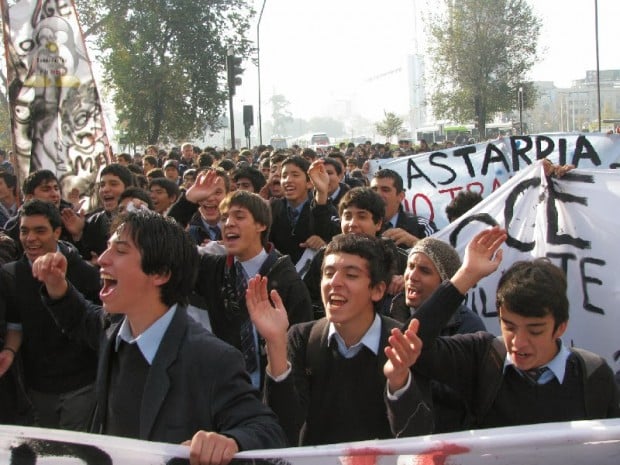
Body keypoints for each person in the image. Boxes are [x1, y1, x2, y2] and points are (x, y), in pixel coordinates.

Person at [32, 210, 286, 464]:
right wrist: (57, 285)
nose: (103, 260)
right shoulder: (113, 329)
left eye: (120, 251)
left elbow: (266, 429)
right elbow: (81, 319)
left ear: (160, 273)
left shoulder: (212, 358)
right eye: (107, 248)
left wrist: (230, 440)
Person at [410, 227, 620, 430]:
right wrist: (466, 275)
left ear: (560, 328)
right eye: (509, 326)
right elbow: (409, 347)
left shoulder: (593, 376)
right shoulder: (481, 358)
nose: (518, 343)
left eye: (535, 331)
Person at [247, 233, 433, 446]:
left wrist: (399, 382)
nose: (335, 283)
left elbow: (419, 438)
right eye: (328, 273)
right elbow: (281, 429)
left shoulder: (403, 343)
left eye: (351, 275)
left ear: (378, 289)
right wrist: (275, 343)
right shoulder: (302, 338)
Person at [186, 175, 312, 388]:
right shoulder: (213, 270)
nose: (229, 224)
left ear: (261, 225)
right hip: (227, 390)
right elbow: (165, 253)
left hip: (274, 391)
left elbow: (301, 349)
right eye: (224, 218)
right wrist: (186, 202)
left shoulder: (286, 280)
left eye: (239, 216)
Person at [0, 200, 101, 430]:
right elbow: (16, 324)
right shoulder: (11, 275)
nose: (30, 238)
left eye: (40, 230)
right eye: (24, 231)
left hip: (81, 385)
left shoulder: (83, 271)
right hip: (38, 387)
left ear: (57, 232)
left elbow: (99, 324)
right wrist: (9, 350)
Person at [389, 237, 486, 432]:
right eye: (410, 266)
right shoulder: (387, 312)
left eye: (424, 271)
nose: (412, 276)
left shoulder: (469, 326)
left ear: (445, 282)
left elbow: (463, 392)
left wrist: (406, 380)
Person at [303, 186, 407, 318]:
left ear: (378, 223)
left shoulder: (399, 260)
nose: (352, 223)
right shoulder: (324, 257)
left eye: (362, 217)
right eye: (347, 216)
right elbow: (307, 302)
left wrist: (406, 284)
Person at [268, 156, 338, 265]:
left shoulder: (326, 208)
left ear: (309, 182)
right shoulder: (272, 209)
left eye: (295, 175)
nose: (288, 180)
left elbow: (335, 238)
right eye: (284, 176)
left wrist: (324, 243)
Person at [371, 169, 437, 248]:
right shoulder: (359, 224)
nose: (378, 194)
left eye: (385, 190)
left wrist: (415, 243)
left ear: (400, 196)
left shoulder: (422, 226)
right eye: (374, 190)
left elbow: (442, 257)